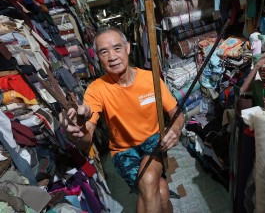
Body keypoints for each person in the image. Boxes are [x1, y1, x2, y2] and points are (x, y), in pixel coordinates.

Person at [59, 27, 185, 213]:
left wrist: (175, 128)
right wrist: (77, 131)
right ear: (98, 57)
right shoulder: (96, 89)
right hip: (124, 152)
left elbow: (177, 113)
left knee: (149, 179)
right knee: (162, 192)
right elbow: (86, 139)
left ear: (127, 48)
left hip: (154, 141)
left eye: (117, 48)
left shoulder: (150, 78)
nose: (112, 56)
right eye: (104, 52)